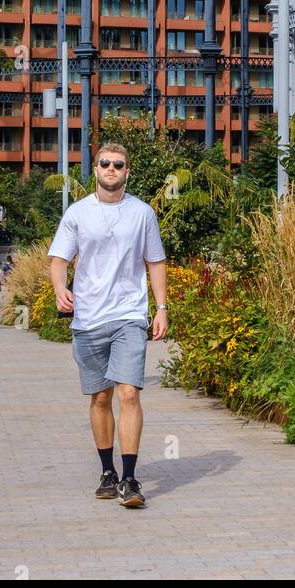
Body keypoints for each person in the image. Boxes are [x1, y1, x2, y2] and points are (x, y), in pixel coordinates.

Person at [47, 142, 167, 509]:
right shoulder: (78, 213)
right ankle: (107, 472)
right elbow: (58, 259)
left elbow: (156, 262)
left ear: (127, 171)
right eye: (105, 164)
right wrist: (59, 290)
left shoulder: (142, 213)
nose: (111, 169)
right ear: (95, 169)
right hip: (88, 318)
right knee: (101, 397)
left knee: (129, 393)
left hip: (129, 315)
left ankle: (130, 479)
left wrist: (161, 308)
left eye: (119, 164)